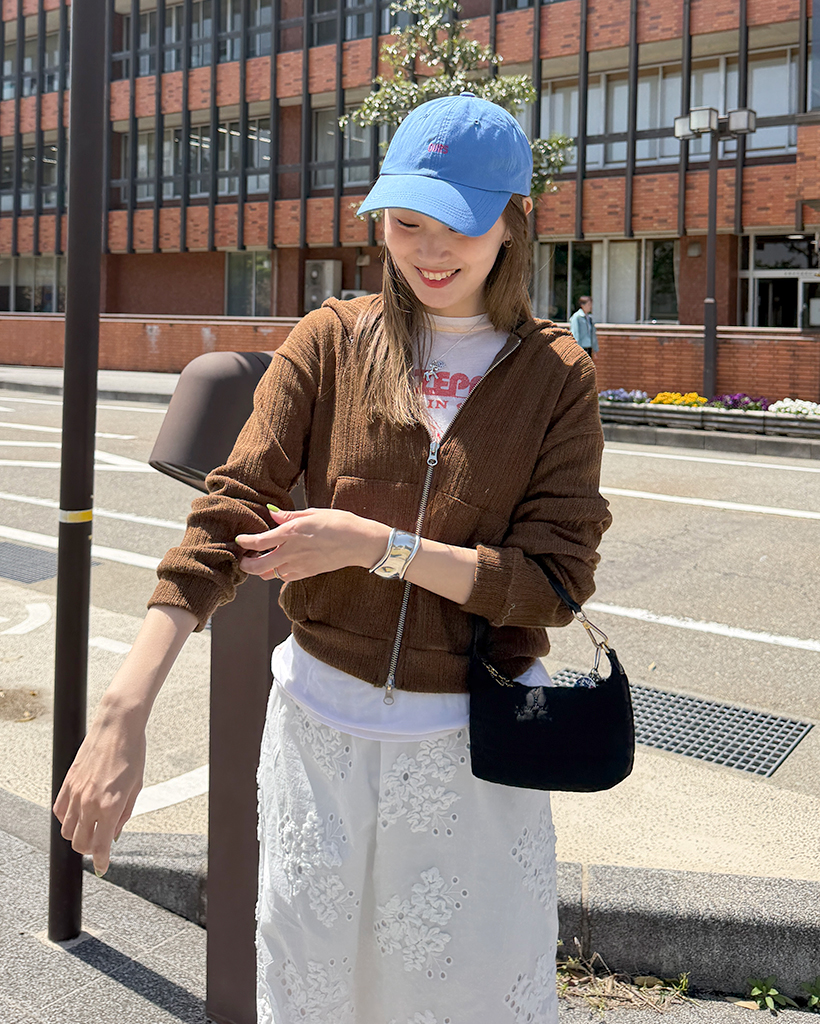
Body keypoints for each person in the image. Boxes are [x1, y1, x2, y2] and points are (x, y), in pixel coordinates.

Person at [54, 92, 611, 1024]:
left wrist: (381, 548)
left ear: (514, 222)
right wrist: (123, 707)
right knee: (312, 987)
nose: (430, 251)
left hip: (469, 753)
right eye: (406, 222)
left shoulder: (557, 376)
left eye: (458, 226)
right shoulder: (333, 341)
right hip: (318, 737)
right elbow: (227, 513)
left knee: (460, 997)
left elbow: (551, 586)